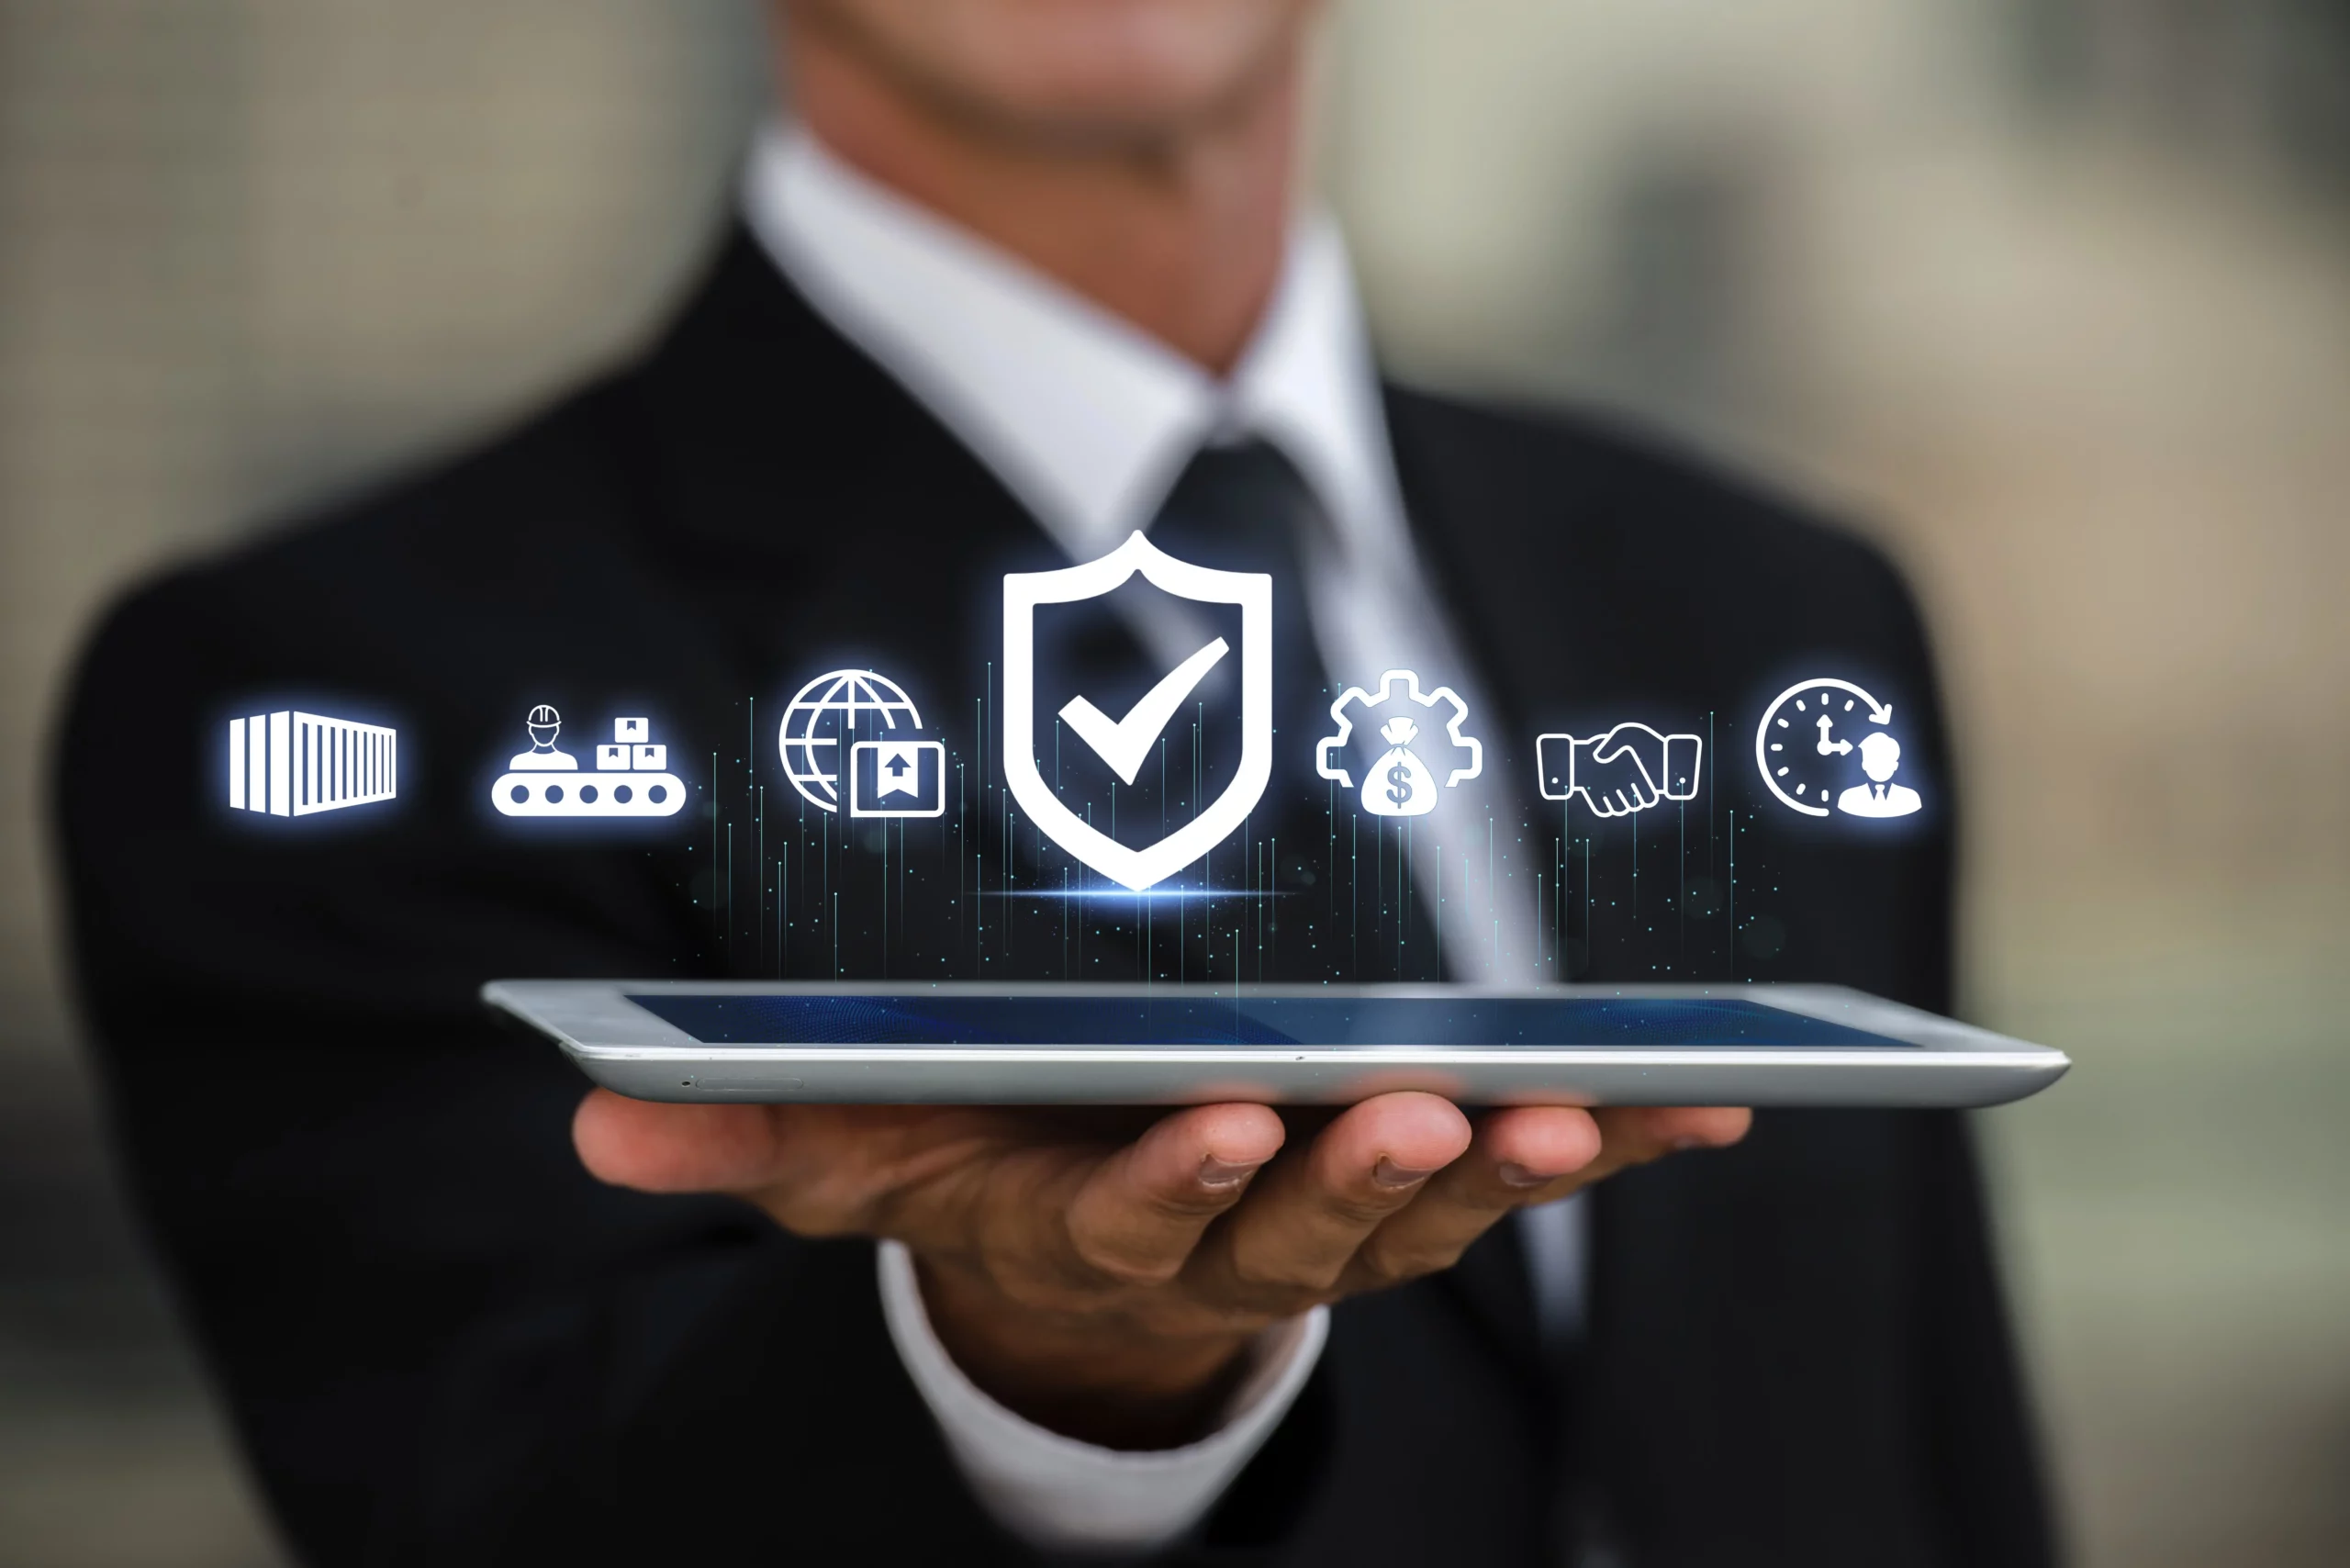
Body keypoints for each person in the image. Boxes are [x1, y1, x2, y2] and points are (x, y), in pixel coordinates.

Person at [53, 2, 2053, 1563]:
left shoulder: (1763, 607)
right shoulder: (337, 687)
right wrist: (1032, 1368)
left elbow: (1931, 1455)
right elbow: (507, 1503)